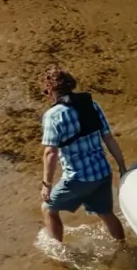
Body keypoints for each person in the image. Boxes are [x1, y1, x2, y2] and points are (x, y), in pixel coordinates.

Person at [39, 67, 127, 243]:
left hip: (78, 178)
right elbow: (108, 138)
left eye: (46, 91)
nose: (47, 95)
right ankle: (123, 244)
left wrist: (46, 185)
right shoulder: (92, 105)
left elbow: (50, 153)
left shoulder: (53, 116)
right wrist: (122, 167)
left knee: (48, 208)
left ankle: (58, 250)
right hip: (102, 172)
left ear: (52, 90)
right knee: (106, 213)